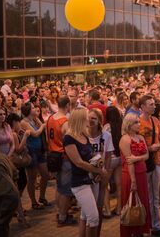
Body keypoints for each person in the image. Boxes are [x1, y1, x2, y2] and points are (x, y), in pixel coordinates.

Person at [64, 108, 106, 237]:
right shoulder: (69, 137)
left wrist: (99, 163)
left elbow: (90, 154)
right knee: (93, 219)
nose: (88, 119)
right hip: (79, 182)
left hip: (90, 179)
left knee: (85, 215)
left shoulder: (83, 134)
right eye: (87, 117)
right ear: (80, 119)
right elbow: (78, 162)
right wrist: (99, 170)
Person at [138, 95, 160, 237]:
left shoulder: (155, 120)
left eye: (153, 104)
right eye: (150, 104)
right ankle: (146, 226)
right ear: (143, 107)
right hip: (143, 162)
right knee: (146, 196)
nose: (154, 106)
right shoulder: (137, 122)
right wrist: (149, 148)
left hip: (156, 160)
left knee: (155, 196)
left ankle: (156, 225)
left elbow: (158, 138)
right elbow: (134, 143)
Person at [119, 114, 152, 237]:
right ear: (129, 125)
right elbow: (129, 162)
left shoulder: (141, 137)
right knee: (130, 203)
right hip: (130, 175)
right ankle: (130, 232)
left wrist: (136, 158)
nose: (139, 124)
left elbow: (147, 156)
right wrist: (133, 181)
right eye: (136, 122)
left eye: (139, 122)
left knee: (142, 202)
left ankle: (139, 231)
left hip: (142, 173)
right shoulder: (125, 139)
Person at [47, 95, 78, 226]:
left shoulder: (50, 118)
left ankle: (60, 212)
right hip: (64, 157)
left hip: (53, 155)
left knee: (59, 187)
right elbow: (70, 141)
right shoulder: (64, 121)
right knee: (66, 190)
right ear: (67, 106)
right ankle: (63, 217)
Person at [87, 108, 114, 235]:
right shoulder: (83, 135)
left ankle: (97, 233)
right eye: (89, 117)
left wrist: (106, 174)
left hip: (100, 174)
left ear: (99, 121)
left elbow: (108, 156)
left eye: (94, 118)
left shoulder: (106, 136)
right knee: (87, 210)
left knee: (98, 207)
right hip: (86, 175)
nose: (90, 120)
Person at [20, 102, 50, 210]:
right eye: (33, 108)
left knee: (45, 175)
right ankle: (33, 201)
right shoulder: (24, 122)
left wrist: (39, 121)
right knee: (32, 179)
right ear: (28, 110)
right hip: (31, 151)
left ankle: (42, 196)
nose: (35, 109)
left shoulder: (34, 119)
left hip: (40, 150)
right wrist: (42, 126)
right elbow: (36, 133)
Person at [6, 113, 31, 228]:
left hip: (12, 163)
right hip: (15, 163)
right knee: (20, 183)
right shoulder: (14, 134)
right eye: (18, 122)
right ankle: (16, 208)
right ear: (15, 122)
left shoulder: (10, 132)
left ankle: (16, 207)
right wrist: (25, 137)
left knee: (21, 183)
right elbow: (18, 149)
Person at [103, 106, 123, 217]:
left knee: (105, 185)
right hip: (120, 157)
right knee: (119, 185)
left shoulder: (106, 127)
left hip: (110, 158)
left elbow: (104, 144)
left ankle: (107, 210)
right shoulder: (122, 126)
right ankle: (119, 208)